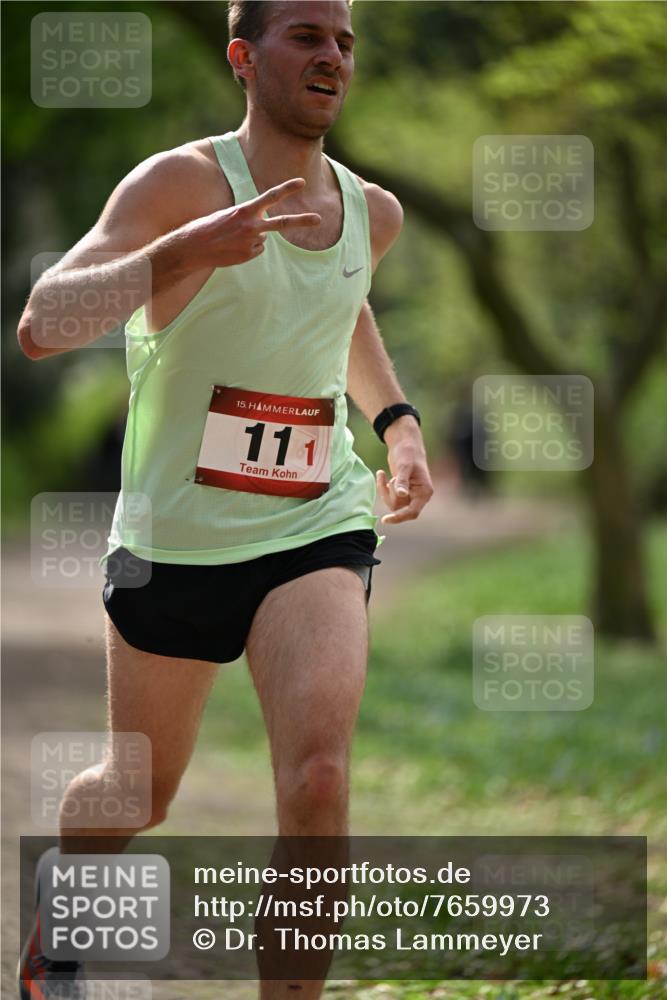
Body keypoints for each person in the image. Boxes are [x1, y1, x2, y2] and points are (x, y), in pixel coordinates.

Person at [17, 2, 434, 997]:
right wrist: (182, 251)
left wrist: (400, 423)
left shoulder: (372, 212)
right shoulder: (178, 184)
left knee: (319, 781)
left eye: (343, 41)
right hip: (175, 540)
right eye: (306, 36)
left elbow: (342, 307)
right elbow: (42, 324)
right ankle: (58, 924)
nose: (331, 55)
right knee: (137, 792)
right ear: (244, 57)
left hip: (312, 523)